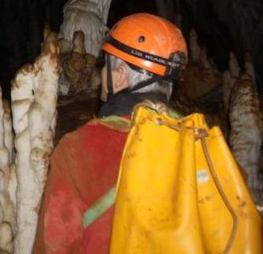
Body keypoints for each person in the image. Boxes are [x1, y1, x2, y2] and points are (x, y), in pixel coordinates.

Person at [32, 13, 188, 254]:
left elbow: (55, 245)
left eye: (106, 65)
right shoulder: (203, 144)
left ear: (121, 74)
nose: (101, 73)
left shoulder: (79, 149)